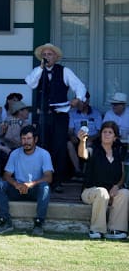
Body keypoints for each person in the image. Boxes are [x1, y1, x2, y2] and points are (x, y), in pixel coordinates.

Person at [25, 42, 86, 193]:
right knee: (43, 146)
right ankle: (43, 180)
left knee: (59, 147)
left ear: (56, 57)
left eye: (49, 54)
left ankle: (57, 181)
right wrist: (40, 68)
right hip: (44, 115)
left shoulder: (64, 71)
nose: (47, 57)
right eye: (44, 55)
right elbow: (30, 82)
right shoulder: (39, 71)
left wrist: (77, 99)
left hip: (60, 114)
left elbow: (80, 86)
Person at [0, 125, 53, 237]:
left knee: (45, 187)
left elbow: (49, 177)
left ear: (35, 139)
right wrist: (16, 184)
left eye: (29, 139)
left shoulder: (44, 154)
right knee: (0, 185)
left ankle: (39, 223)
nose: (26, 142)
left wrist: (31, 184)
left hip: (34, 190)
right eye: (23, 139)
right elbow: (6, 175)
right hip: (18, 188)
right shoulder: (15, 153)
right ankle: (5, 221)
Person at [79, 121, 129, 240]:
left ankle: (116, 230)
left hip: (111, 192)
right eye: (104, 132)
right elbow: (83, 154)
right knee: (102, 192)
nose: (106, 134)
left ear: (115, 137)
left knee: (125, 193)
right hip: (91, 192)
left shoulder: (119, 153)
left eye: (110, 132)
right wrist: (82, 141)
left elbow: (122, 175)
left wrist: (117, 185)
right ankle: (96, 230)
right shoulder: (94, 149)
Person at [67, 91, 102, 178]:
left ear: (87, 101)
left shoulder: (96, 113)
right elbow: (70, 130)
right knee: (69, 144)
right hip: (78, 137)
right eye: (77, 102)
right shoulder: (72, 113)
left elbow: (100, 132)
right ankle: (78, 170)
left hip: (91, 138)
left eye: (80, 102)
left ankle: (87, 171)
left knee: (89, 144)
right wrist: (72, 136)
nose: (78, 104)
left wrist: (91, 138)